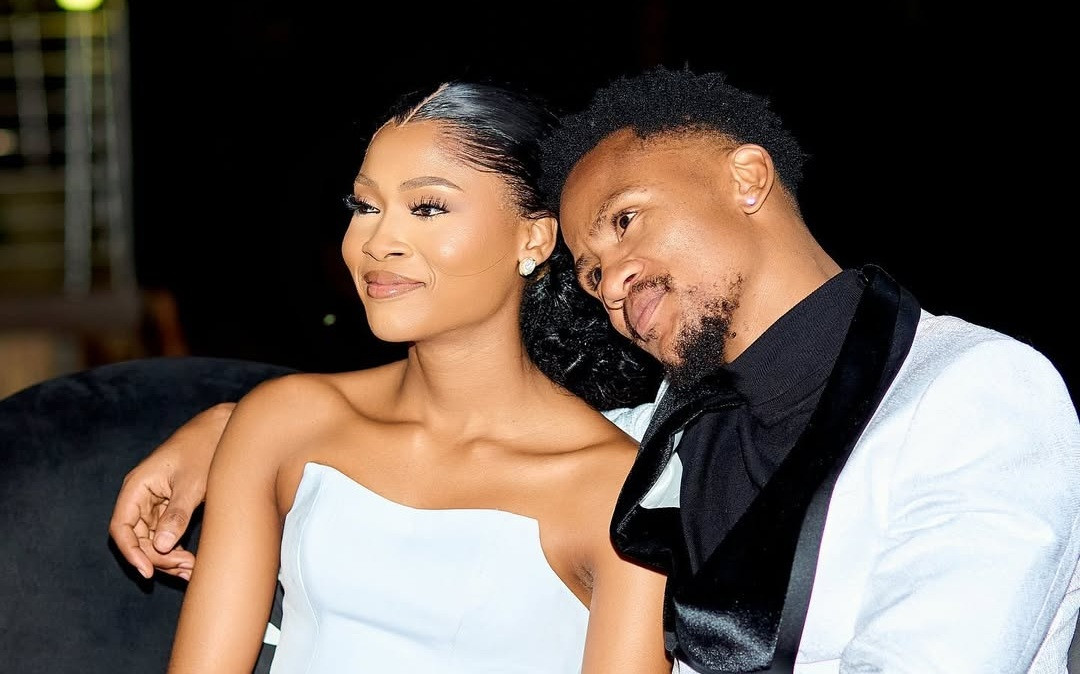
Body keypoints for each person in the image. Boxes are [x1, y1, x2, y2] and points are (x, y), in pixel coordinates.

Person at [112, 66, 1080, 673]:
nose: (611, 277)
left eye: (626, 219)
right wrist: (229, 427)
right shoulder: (667, 431)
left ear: (747, 178)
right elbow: (474, 453)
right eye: (588, 266)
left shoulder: (973, 392)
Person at [158, 79, 672, 674]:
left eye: (427, 208)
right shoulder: (282, 420)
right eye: (365, 207)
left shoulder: (614, 489)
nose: (378, 242)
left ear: (533, 237)